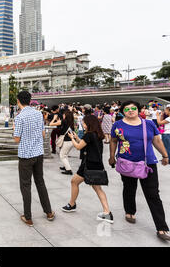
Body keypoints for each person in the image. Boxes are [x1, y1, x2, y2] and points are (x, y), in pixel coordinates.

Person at [109, 101, 170, 241]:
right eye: (127, 109)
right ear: (122, 111)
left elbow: (156, 141)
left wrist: (165, 155)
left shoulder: (148, 124)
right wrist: (111, 156)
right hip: (126, 163)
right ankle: (130, 211)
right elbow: (113, 140)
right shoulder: (118, 125)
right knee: (129, 188)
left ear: (138, 110)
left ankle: (161, 227)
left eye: (133, 108)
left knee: (153, 194)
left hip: (147, 163)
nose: (130, 111)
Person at [13, 91, 55, 227]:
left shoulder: (20, 117)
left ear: (19, 101)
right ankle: (48, 212)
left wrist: (15, 129)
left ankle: (28, 217)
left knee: (25, 186)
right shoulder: (38, 114)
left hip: (26, 155)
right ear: (30, 100)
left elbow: (16, 139)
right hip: (38, 153)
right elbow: (43, 134)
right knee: (40, 182)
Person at [63, 115, 113, 223]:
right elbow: (85, 144)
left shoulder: (89, 134)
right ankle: (107, 212)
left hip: (88, 165)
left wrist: (72, 138)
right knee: (97, 189)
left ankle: (72, 204)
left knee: (74, 182)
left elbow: (78, 147)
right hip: (97, 164)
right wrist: (77, 138)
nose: (83, 124)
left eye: (84, 123)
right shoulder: (97, 134)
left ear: (89, 124)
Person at [50, 110, 75, 175]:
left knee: (62, 155)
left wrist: (54, 119)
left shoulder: (64, 121)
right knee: (65, 154)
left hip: (67, 141)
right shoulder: (71, 122)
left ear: (66, 115)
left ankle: (69, 170)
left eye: (64, 114)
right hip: (71, 141)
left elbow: (51, 124)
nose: (63, 115)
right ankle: (66, 166)